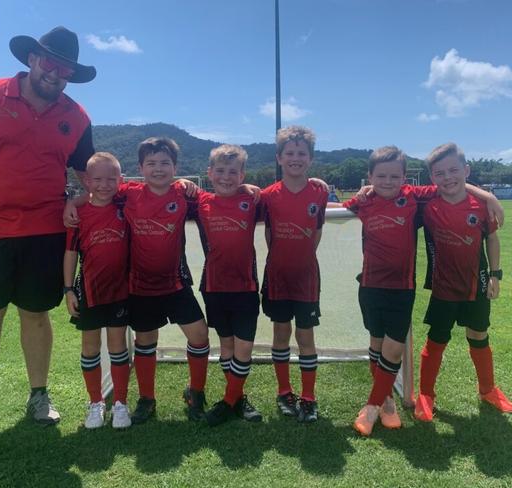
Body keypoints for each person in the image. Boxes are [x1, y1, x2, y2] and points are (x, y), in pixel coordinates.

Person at [0, 26, 96, 438]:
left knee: (36, 314)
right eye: (50, 63)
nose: (56, 74)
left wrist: (81, 199)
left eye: (65, 69)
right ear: (31, 59)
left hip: (45, 231)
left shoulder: (76, 116)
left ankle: (39, 396)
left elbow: (93, 176)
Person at [340, 146, 504, 436]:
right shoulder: (365, 201)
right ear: (370, 176)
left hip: (404, 287)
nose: (388, 181)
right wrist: (362, 189)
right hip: (371, 285)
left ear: (405, 178)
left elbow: (451, 183)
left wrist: (488, 195)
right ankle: (389, 401)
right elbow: (338, 212)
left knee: (394, 346)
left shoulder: (414, 198)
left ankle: (372, 405)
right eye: (381, 176)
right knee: (376, 344)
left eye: (394, 176)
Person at [65, 137, 210, 424]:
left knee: (199, 336)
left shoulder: (185, 194)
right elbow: (98, 194)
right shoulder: (128, 194)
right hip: (140, 286)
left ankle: (196, 393)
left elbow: (221, 199)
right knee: (146, 341)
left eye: (165, 163)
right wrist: (73, 201)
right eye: (152, 164)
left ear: (175, 167)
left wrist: (248, 188)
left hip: (176, 282)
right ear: (140, 168)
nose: (158, 169)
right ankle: (146, 399)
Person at [414, 143, 512, 422]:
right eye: (439, 173)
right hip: (443, 286)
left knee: (479, 335)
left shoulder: (481, 206)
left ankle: (488, 390)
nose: (447, 177)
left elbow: (492, 239)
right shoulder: (427, 204)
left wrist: (495, 275)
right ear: (432, 178)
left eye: (453, 170)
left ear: (466, 170)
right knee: (437, 339)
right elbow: (390, 190)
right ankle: (426, 394)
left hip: (478, 284)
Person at [191, 144, 263, 426]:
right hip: (214, 287)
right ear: (209, 173)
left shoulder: (253, 200)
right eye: (220, 171)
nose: (226, 177)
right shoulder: (200, 202)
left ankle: (229, 401)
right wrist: (182, 181)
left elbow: (290, 204)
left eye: (233, 172)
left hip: (245, 287)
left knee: (244, 349)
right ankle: (239, 397)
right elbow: (170, 195)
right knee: (227, 347)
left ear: (242, 174)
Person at [261, 126, 328, 423]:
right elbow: (265, 231)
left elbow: (316, 233)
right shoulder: (267, 196)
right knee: (280, 332)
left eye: (302, 153)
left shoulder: (320, 191)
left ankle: (309, 397)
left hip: (306, 277)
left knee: (305, 335)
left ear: (310, 159)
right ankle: (284, 391)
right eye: (290, 153)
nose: (295, 158)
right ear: (279, 158)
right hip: (277, 276)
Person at [63, 152, 132, 429]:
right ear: (87, 181)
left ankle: (121, 403)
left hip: (120, 291)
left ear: (121, 180)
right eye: (98, 179)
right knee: (90, 347)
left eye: (110, 179)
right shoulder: (78, 214)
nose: (104, 185)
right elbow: (70, 254)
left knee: (117, 346)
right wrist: (68, 289)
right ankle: (95, 402)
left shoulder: (126, 206)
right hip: (89, 291)